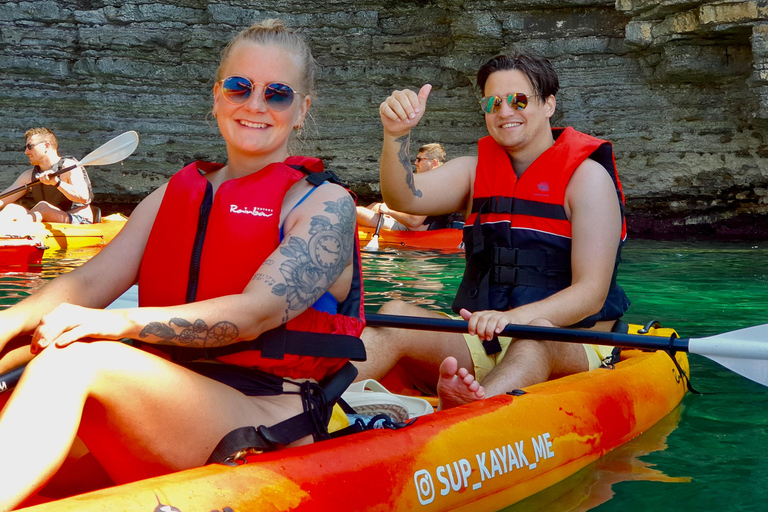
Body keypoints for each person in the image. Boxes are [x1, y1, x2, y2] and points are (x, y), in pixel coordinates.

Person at [0, 19, 364, 510]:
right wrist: (5, 326)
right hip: (166, 397)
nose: (255, 105)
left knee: (74, 359)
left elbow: (253, 313)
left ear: (301, 110)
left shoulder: (326, 206)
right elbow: (88, 281)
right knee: (17, 353)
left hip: (264, 412)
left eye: (277, 94)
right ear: (217, 96)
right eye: (240, 87)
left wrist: (117, 324)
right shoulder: (175, 193)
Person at [356, 53, 630, 410]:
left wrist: (511, 319)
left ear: (548, 104)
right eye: (493, 102)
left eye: (519, 100)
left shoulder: (588, 180)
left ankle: (469, 413)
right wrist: (396, 135)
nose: (504, 112)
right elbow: (402, 196)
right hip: (488, 339)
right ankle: (302, 404)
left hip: (572, 344)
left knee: (537, 336)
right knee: (394, 314)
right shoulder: (473, 173)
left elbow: (591, 292)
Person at [0, 127, 94, 224]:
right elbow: (3, 199)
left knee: (43, 207)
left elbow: (83, 197)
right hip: (48, 220)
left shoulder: (69, 166)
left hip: (79, 220)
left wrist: (56, 182)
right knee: (12, 209)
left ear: (46, 146)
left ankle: (17, 229)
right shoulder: (29, 176)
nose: (26, 152)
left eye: (30, 146)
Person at [356, 143, 451, 231]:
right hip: (409, 224)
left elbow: (414, 222)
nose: (415, 163)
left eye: (420, 159)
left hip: (410, 229)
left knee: (356, 211)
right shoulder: (437, 181)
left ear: (433, 162)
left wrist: (389, 211)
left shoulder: (432, 187)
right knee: (376, 206)